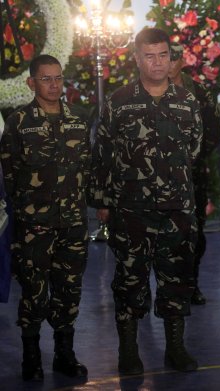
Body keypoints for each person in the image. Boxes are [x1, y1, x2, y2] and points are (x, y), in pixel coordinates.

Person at [90, 28, 203, 375]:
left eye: (163, 55)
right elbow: (103, 154)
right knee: (129, 281)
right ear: (137, 59)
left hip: (177, 211)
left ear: (171, 58)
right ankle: (128, 350)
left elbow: (194, 151)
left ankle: (176, 348)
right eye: (149, 56)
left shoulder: (187, 101)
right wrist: (103, 203)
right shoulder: (119, 101)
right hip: (131, 210)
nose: (157, 62)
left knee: (176, 280)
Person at [0, 54, 90, 381]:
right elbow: (9, 174)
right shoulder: (19, 122)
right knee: (34, 294)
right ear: (31, 82)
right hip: (34, 226)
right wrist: (28, 210)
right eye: (46, 78)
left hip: (73, 225)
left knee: (69, 292)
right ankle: (32, 357)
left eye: (58, 78)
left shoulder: (79, 120)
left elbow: (86, 169)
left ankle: (64, 355)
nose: (53, 85)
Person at [168, 43, 220, 305]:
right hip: (152, 177)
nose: (165, 64)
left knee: (194, 233)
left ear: (181, 62)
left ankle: (191, 284)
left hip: (192, 175)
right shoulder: (142, 90)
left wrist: (195, 154)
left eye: (171, 59)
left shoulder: (197, 91)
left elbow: (215, 129)